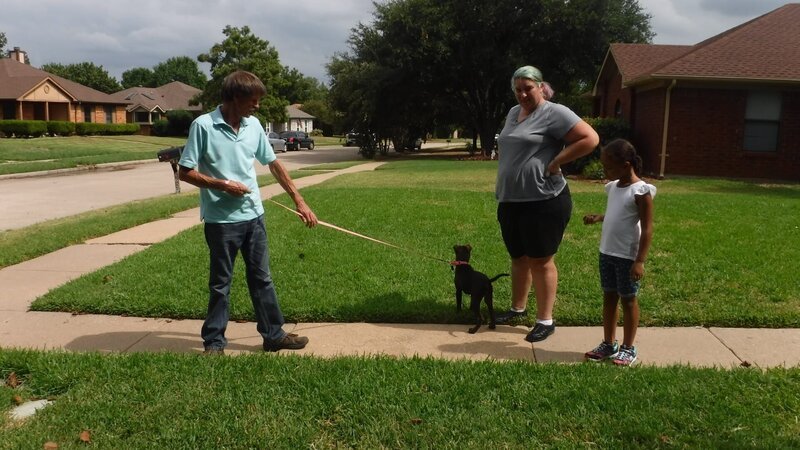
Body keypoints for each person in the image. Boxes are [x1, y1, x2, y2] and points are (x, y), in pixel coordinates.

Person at [178, 70, 318, 355]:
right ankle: (214, 343)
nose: (257, 106)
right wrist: (221, 185)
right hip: (221, 222)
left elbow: (274, 163)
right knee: (220, 284)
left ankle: (273, 336)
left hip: (254, 217)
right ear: (234, 97)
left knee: (262, 279)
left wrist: (299, 201)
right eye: (252, 100)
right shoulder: (203, 126)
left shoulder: (253, 126)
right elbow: (186, 172)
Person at [494, 65, 599, 342]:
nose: (522, 94)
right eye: (518, 89)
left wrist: (556, 162)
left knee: (541, 261)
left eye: (528, 88)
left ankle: (545, 320)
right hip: (511, 199)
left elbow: (590, 138)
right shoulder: (513, 113)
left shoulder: (555, 112)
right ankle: (517, 308)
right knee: (519, 257)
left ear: (541, 87)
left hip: (544, 200)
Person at [583, 139, 655, 366]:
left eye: (609, 167)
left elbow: (648, 228)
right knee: (609, 297)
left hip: (627, 256)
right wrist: (599, 217)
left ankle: (628, 347)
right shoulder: (613, 187)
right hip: (607, 252)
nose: (605, 171)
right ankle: (608, 343)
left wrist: (640, 261)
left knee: (628, 300)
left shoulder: (641, 192)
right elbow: (617, 213)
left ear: (626, 165)